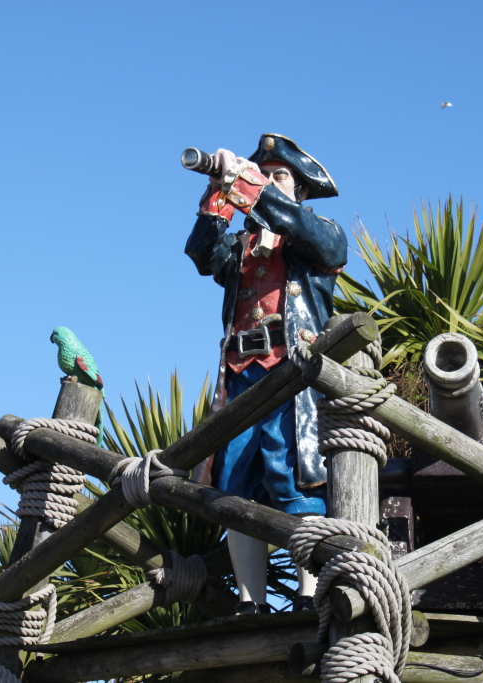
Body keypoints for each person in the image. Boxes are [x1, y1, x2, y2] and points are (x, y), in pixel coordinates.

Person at [184, 134, 347, 614]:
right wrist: (218, 194)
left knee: (296, 476)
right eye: (264, 172)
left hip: (291, 377)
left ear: (298, 190)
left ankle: (308, 591)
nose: (268, 181)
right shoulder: (244, 246)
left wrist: (254, 189)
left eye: (280, 176)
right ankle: (251, 600)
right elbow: (202, 256)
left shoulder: (318, 235)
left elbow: (319, 240)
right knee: (236, 481)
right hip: (240, 375)